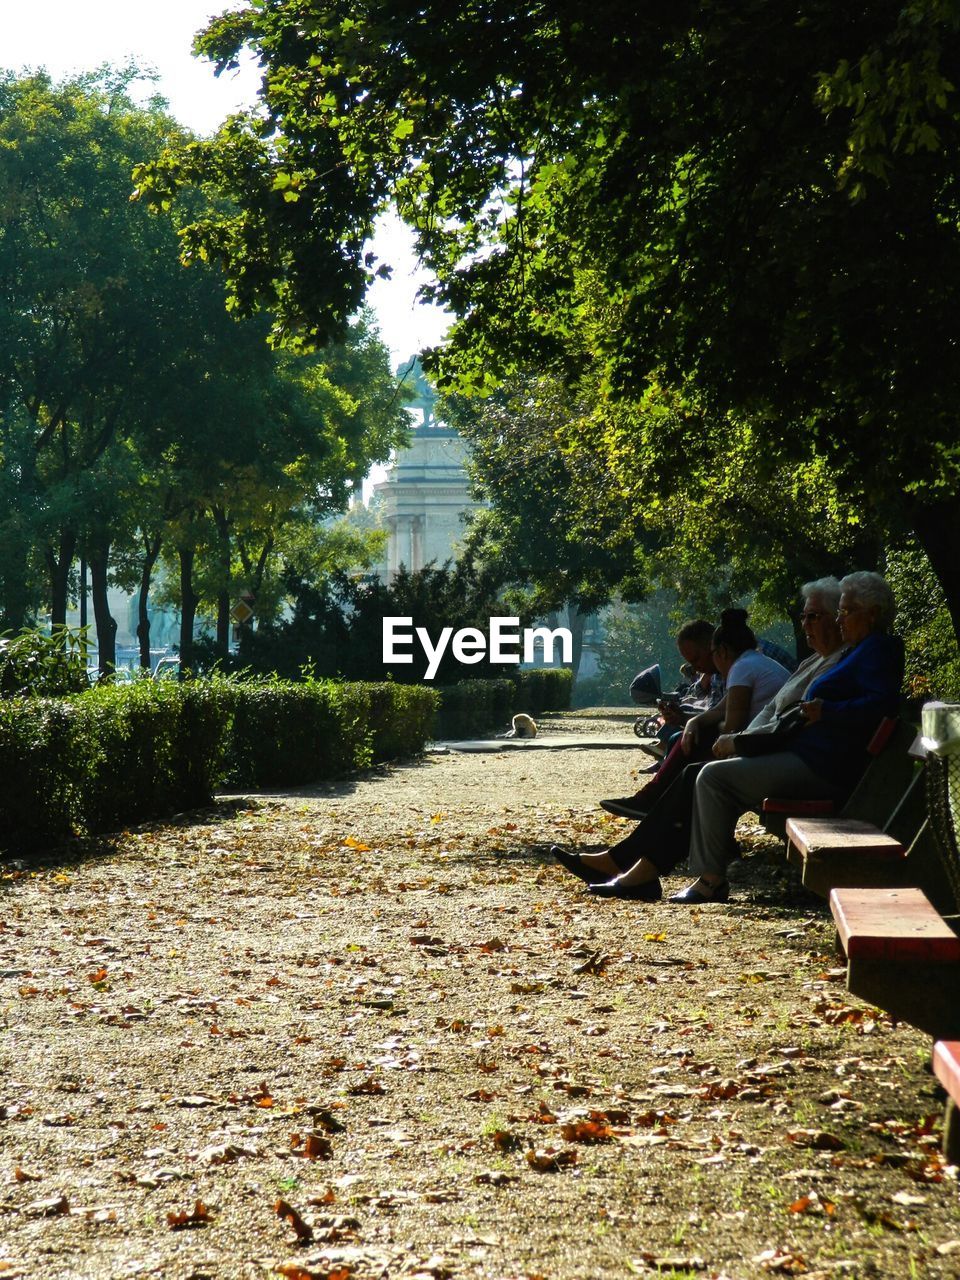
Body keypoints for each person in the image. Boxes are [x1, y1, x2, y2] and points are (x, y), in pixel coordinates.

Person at [553, 578, 847, 898]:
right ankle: (638, 868)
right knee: (696, 772)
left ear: (719, 651)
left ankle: (692, 874)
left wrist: (736, 740)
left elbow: (772, 719)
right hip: (778, 751)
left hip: (799, 761)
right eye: (804, 617)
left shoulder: (760, 666)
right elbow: (760, 714)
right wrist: (706, 726)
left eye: (813, 616)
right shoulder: (808, 661)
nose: (805, 624)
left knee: (704, 776)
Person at [626, 570, 902, 905]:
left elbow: (881, 703)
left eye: (846, 612)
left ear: (872, 613)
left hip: (821, 766)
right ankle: (648, 864)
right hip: (810, 757)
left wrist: (827, 711)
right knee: (703, 773)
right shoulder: (857, 650)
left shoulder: (877, 648)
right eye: (839, 611)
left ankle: (707, 878)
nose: (842, 620)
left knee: (712, 777)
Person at [600, 608, 788, 820]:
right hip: (767, 745)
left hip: (764, 751)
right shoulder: (753, 661)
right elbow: (719, 711)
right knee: (686, 745)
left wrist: (699, 727)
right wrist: (692, 723)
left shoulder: (741, 668)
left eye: (708, 657)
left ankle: (652, 803)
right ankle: (655, 807)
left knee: (691, 767)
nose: (698, 669)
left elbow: (731, 728)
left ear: (720, 651)